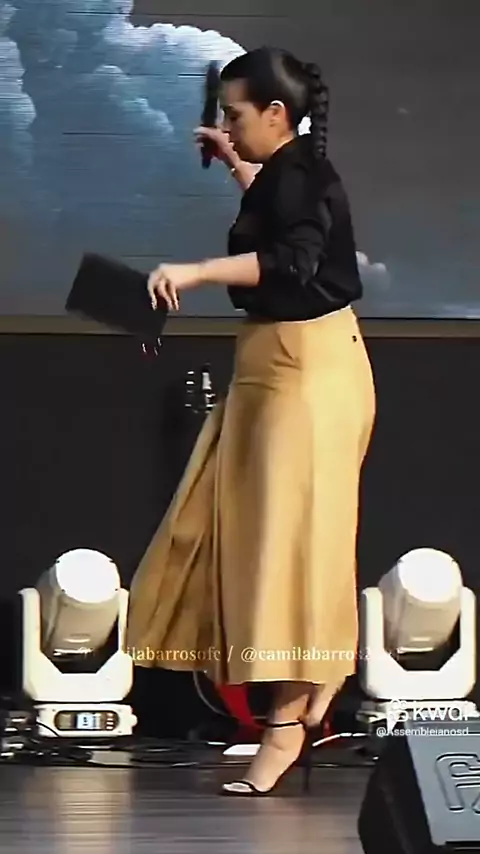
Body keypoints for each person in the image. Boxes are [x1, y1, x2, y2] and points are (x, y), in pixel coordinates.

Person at [125, 46, 376, 796]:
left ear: (275, 113)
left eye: (235, 116)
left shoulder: (303, 174)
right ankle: (305, 692)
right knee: (238, 532)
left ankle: (288, 723)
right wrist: (237, 162)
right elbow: (279, 222)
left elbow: (292, 261)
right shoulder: (287, 171)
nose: (227, 124)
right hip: (277, 366)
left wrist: (196, 271)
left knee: (292, 550)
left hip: (309, 373)